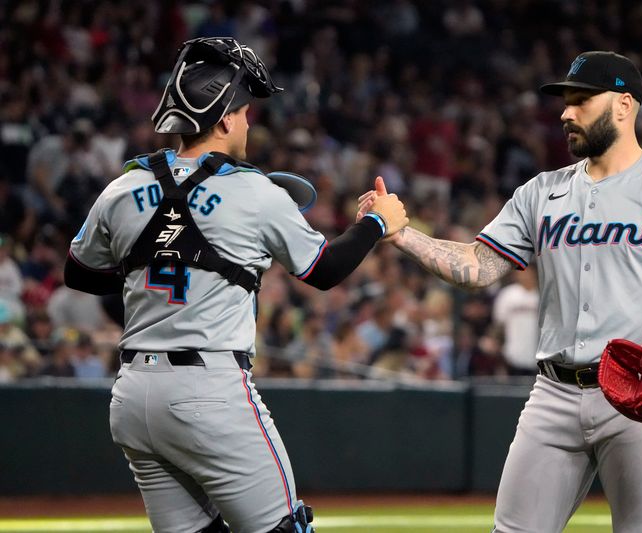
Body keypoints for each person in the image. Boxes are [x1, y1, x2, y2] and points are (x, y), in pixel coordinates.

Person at [359, 51, 642, 532]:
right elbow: (479, 265)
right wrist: (403, 236)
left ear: (623, 105)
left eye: (581, 100)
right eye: (565, 101)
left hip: (640, 395)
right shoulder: (541, 192)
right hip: (553, 393)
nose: (565, 113)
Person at [64, 37, 407, 533]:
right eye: (245, 112)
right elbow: (324, 272)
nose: (248, 121)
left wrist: (159, 257)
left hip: (133, 396)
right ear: (225, 117)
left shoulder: (122, 187)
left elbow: (79, 273)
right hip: (209, 391)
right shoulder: (254, 191)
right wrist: (377, 223)